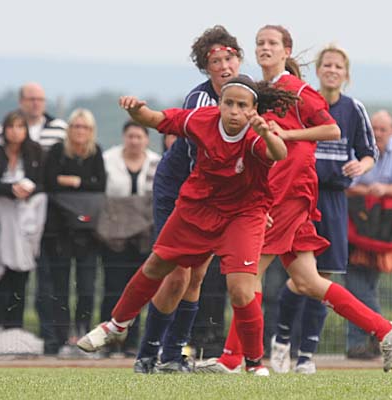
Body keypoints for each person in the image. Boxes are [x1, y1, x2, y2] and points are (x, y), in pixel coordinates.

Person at [196, 25, 392, 375]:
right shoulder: (261, 91)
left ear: (286, 50)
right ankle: (385, 330)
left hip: (287, 197)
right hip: (280, 196)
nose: (264, 48)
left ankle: (233, 358)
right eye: (260, 43)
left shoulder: (296, 89)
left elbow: (332, 129)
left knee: (247, 275)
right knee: (308, 281)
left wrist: (289, 134)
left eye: (272, 43)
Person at [77, 74, 292, 377]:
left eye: (242, 105)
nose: (234, 111)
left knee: (241, 290)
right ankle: (116, 325)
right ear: (219, 104)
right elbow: (157, 119)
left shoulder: (257, 132)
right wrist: (136, 110)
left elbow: (279, 153)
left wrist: (267, 134)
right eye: (228, 103)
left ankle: (255, 363)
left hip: (244, 214)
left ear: (253, 109)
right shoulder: (201, 119)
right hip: (199, 206)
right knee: (157, 265)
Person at [134, 25, 243, 374]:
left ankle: (172, 355)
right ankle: (147, 355)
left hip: (213, 196)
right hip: (180, 189)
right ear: (205, 68)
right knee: (177, 274)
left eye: (229, 58)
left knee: (197, 275)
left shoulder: (249, 94)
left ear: (239, 60)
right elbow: (202, 163)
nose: (224, 66)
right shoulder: (199, 101)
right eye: (215, 61)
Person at [269, 44, 377, 374]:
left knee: (322, 277)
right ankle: (282, 340)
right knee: (299, 277)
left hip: (333, 199)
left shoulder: (353, 108)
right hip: (301, 196)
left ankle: (306, 355)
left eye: (338, 66)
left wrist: (361, 166)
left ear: (346, 74)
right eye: (327, 64)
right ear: (317, 71)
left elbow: (368, 152)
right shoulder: (304, 100)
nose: (332, 70)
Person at [344, 110, 392, 359]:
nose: (378, 134)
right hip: (354, 223)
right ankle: (383, 329)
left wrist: (382, 189)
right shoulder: (356, 144)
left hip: (383, 227)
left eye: (383, 129)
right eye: (374, 129)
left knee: (368, 284)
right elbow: (347, 183)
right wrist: (371, 191)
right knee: (356, 284)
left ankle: (361, 343)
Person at [43, 108, 106, 357]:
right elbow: (49, 180)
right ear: (69, 129)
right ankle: (62, 337)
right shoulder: (57, 151)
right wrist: (79, 183)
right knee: (60, 286)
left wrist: (72, 181)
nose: (80, 131)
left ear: (91, 131)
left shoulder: (96, 152)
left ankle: (84, 334)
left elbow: (99, 184)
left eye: (85, 127)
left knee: (87, 287)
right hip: (59, 230)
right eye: (76, 126)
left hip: (87, 232)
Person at [0, 110, 46, 330]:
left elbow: (44, 184)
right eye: (11, 127)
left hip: (26, 222)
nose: (15, 132)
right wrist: (10, 189)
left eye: (20, 127)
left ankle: (16, 327)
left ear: (26, 130)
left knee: (20, 278)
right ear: (4, 129)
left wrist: (28, 190)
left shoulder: (35, 152)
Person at [99, 120, 160, 356]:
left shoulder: (156, 162)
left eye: (139, 137)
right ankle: (107, 341)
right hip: (114, 237)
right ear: (124, 138)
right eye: (130, 136)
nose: (134, 141)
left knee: (139, 290)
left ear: (146, 140)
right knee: (112, 287)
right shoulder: (108, 160)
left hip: (144, 237)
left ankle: (133, 342)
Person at [0, 82, 66, 150]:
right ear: (21, 101)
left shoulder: (60, 128)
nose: (36, 103)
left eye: (40, 99)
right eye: (32, 99)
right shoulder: (1, 130)